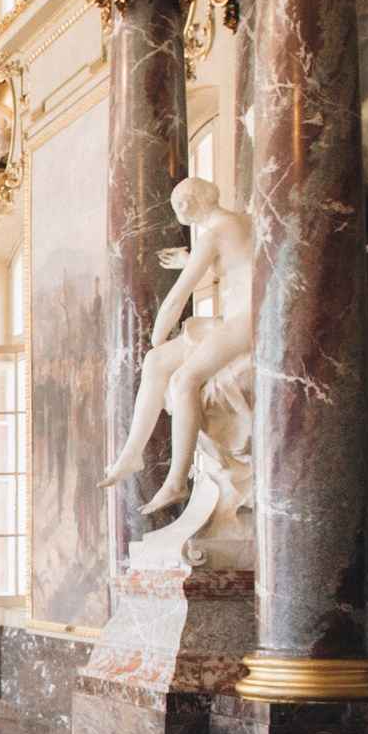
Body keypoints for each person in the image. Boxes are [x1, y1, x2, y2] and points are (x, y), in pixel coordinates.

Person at [101, 177, 256, 514]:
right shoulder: (242, 219)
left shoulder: (213, 233)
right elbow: (239, 258)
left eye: (177, 206)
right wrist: (193, 260)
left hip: (246, 322)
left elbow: (175, 301)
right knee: (157, 362)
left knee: (183, 379)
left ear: (186, 205)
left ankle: (176, 482)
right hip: (239, 318)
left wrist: (157, 338)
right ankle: (132, 454)